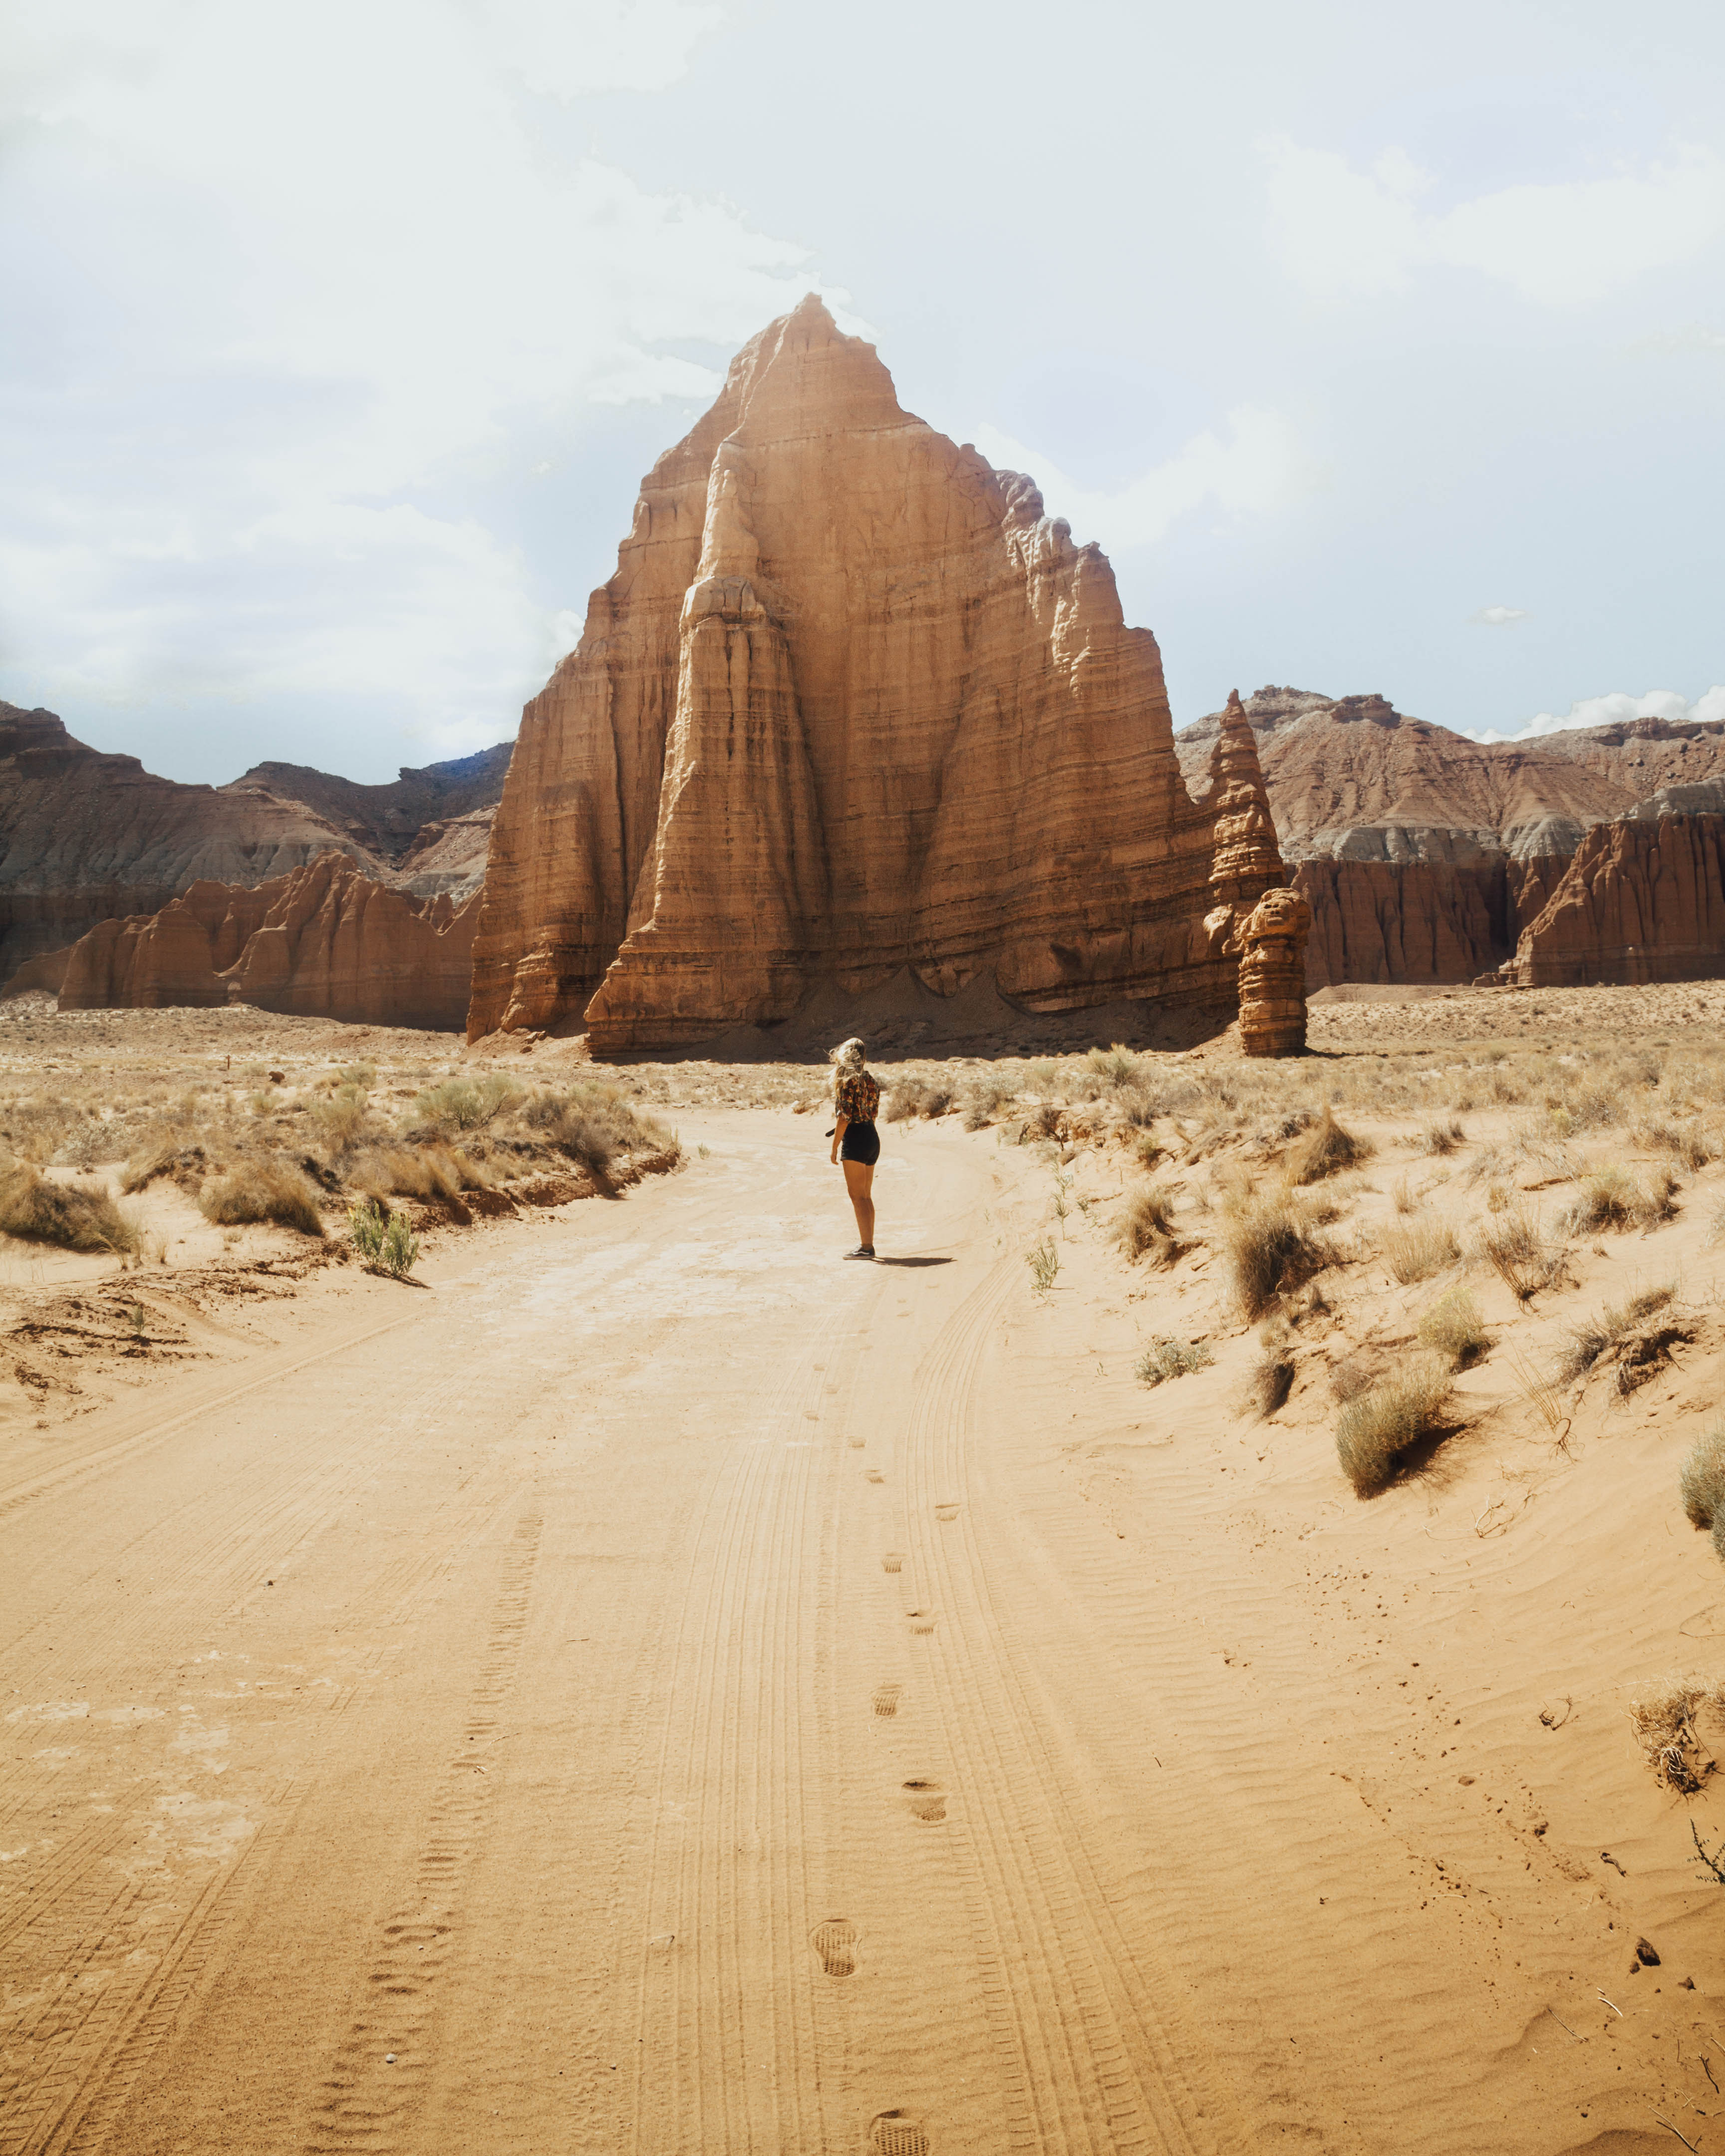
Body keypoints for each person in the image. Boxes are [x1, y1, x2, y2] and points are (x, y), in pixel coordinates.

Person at [828, 1035, 879, 1258]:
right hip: (871, 1136)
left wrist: (834, 1147)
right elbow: (874, 1113)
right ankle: (868, 1244)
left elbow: (844, 1118)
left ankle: (866, 1248)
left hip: (856, 1139)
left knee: (857, 1197)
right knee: (866, 1196)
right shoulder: (871, 1080)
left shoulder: (847, 1082)